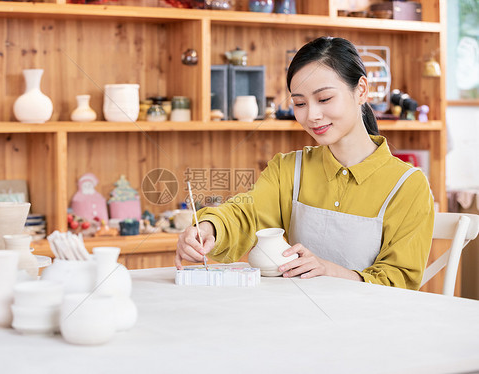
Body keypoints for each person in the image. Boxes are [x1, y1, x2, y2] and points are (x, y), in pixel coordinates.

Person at [175, 36, 435, 290]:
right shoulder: (288, 170)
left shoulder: (408, 186)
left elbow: (399, 281)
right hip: (298, 320)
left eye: (324, 99)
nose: (312, 115)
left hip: (369, 325)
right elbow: (246, 215)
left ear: (361, 90)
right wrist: (209, 227)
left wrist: (331, 271)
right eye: (299, 103)